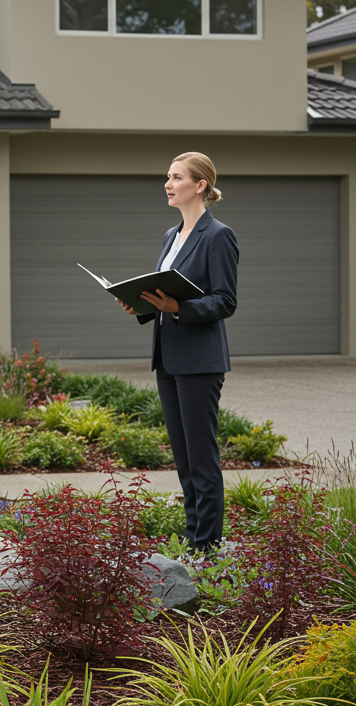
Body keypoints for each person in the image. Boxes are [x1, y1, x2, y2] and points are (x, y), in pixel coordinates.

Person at [117, 151, 238, 552]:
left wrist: (178, 308)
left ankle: (208, 545)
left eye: (176, 177)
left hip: (200, 361)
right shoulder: (172, 235)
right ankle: (192, 538)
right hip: (168, 358)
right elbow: (166, 297)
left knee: (202, 458)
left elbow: (225, 301)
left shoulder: (218, 235)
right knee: (184, 458)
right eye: (166, 177)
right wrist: (142, 305)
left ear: (200, 185)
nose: (167, 184)